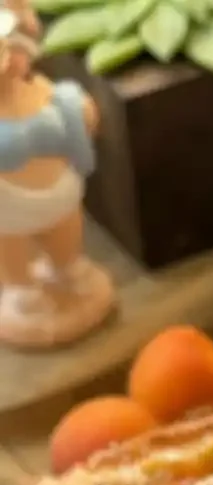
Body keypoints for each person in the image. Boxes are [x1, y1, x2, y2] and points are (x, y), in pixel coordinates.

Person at [0, 1, 114, 346]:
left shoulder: (44, 92)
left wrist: (81, 114)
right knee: (10, 249)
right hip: (7, 209)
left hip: (59, 193)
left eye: (9, 49)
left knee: (64, 230)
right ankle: (21, 288)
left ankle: (66, 264)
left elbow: (77, 115)